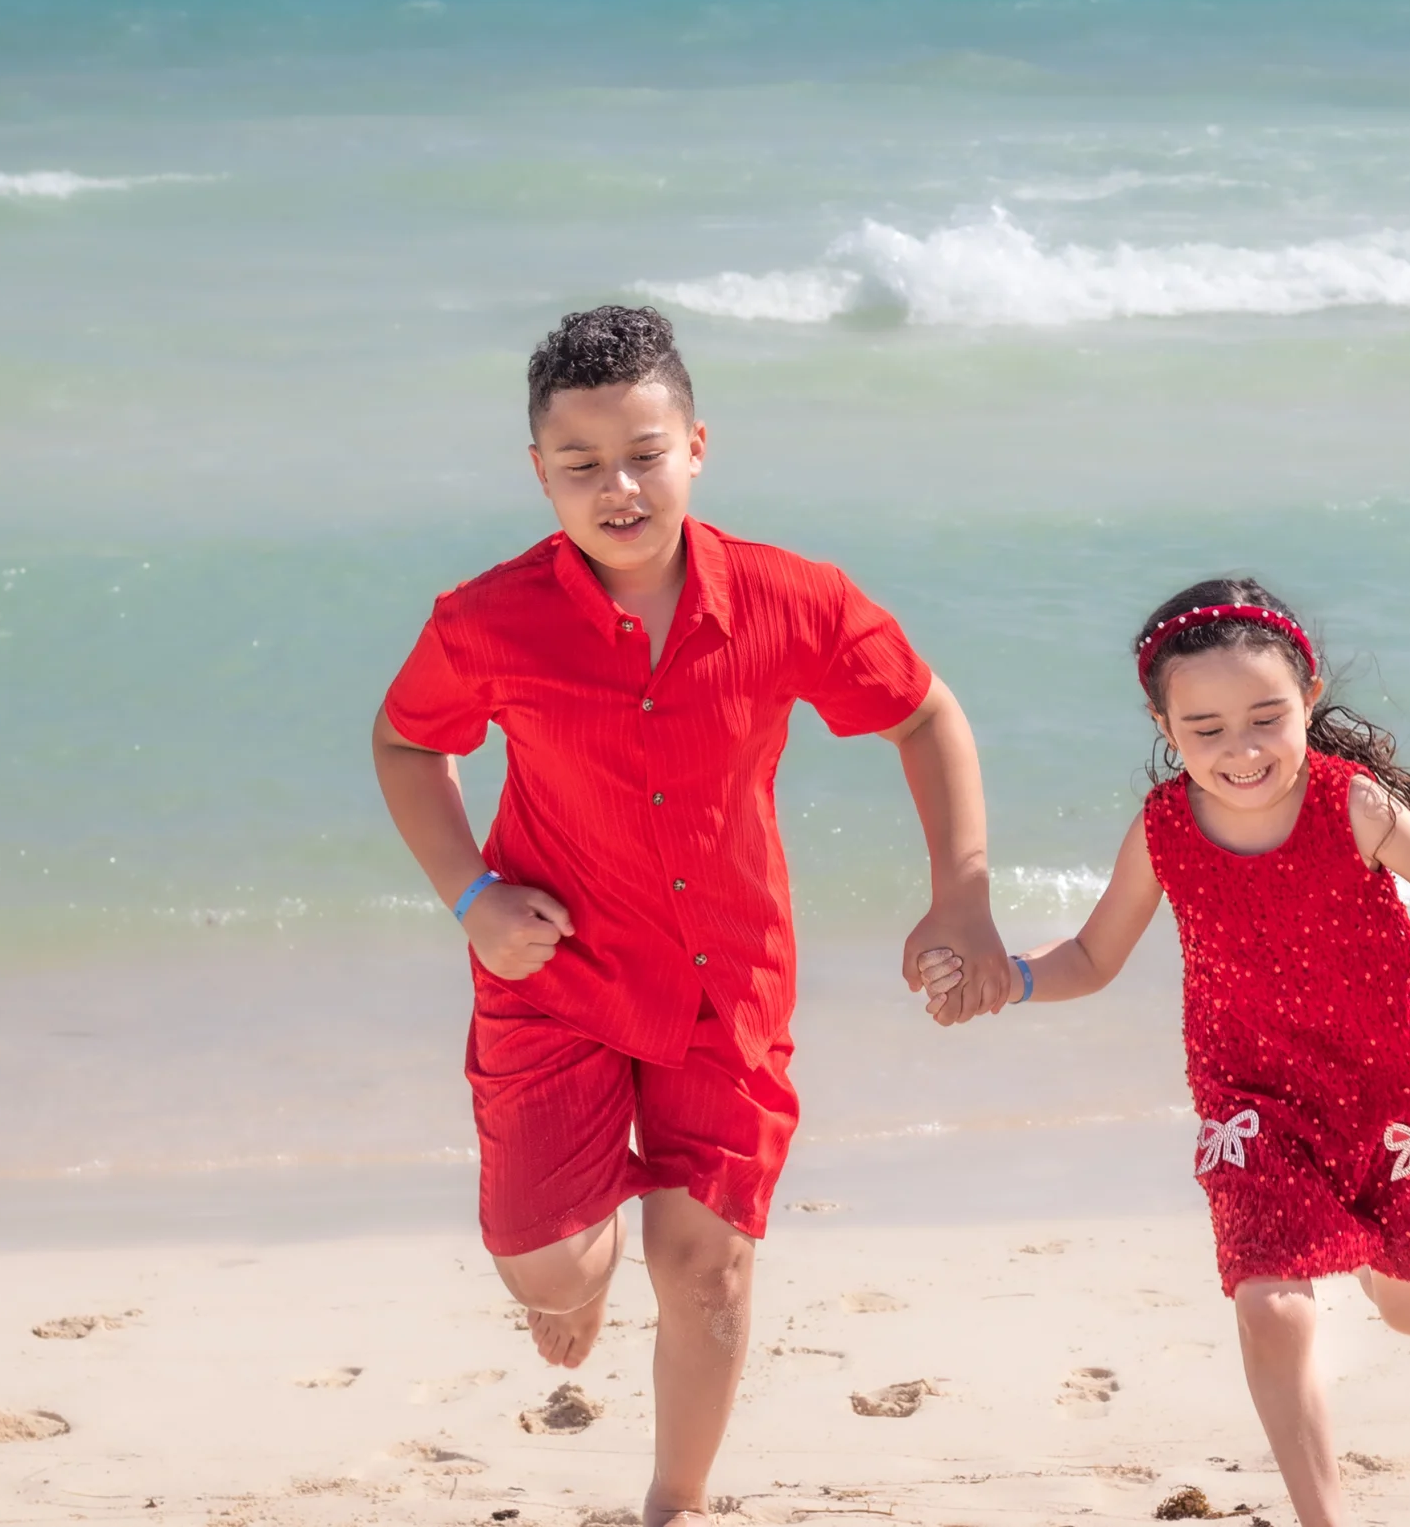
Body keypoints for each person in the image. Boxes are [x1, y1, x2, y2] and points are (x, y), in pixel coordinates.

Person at [371, 305, 1010, 1527]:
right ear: (538, 473)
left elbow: (926, 713)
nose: (618, 487)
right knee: (546, 1267)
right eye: (582, 464)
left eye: (644, 453)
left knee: (705, 1267)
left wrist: (961, 892)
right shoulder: (487, 619)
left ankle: (676, 1502)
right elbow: (406, 741)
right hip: (551, 971)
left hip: (730, 979)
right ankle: (578, 1259)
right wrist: (470, 895)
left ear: (697, 446)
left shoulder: (791, 598)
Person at [919, 578, 1410, 1527]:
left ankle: (1370, 1243)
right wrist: (1007, 979)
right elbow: (1092, 956)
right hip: (1255, 1099)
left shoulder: (1353, 805)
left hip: (1398, 1086)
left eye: (1267, 717)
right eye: (1206, 728)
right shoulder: (1162, 829)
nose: (1241, 750)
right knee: (1271, 1305)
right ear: (1163, 721)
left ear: (1309, 695)